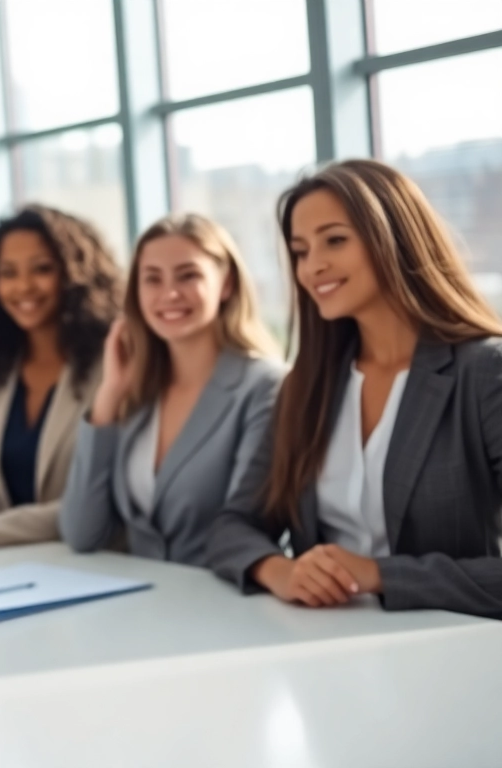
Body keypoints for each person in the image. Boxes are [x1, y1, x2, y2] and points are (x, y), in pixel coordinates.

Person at [207, 159, 502, 620]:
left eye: (335, 240)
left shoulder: (485, 373)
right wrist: (278, 571)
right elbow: (233, 526)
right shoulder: (306, 386)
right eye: (300, 251)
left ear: (395, 238)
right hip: (327, 651)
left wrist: (379, 574)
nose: (312, 267)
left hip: (457, 656)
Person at [60, 214, 285, 566]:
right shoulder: (140, 392)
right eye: (152, 279)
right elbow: (81, 533)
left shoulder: (264, 387)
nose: (169, 294)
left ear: (226, 284)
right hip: (145, 606)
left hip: (226, 606)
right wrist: (109, 395)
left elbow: (245, 530)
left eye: (188, 275)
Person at [0, 205, 121, 549]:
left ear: (75, 274)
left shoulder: (113, 368)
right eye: (8, 273)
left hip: (98, 562)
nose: (23, 286)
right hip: (9, 570)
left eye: (42, 269)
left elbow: (103, 500)